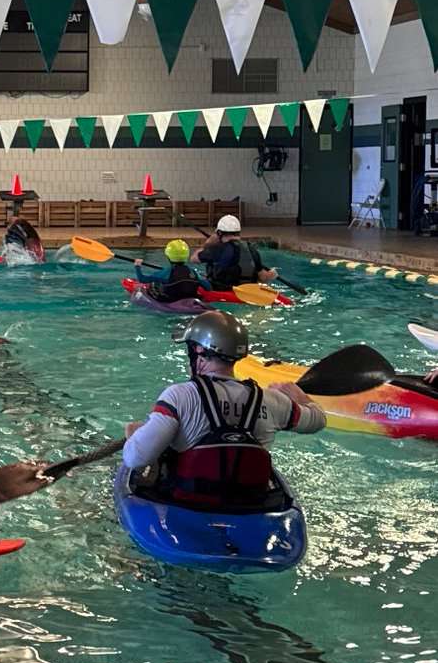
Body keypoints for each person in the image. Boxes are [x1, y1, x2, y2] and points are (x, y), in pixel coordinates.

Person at [123, 311, 325, 508]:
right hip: (251, 507)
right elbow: (318, 420)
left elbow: (136, 458)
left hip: (187, 504)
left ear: (199, 354)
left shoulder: (178, 396)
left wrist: (135, 436)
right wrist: (298, 395)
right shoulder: (273, 401)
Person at [191, 215, 278, 288]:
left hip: (222, 289)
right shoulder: (251, 249)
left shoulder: (218, 249)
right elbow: (263, 278)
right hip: (247, 290)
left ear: (219, 233)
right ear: (238, 232)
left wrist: (208, 244)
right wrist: (270, 274)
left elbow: (194, 259)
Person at [133, 239, 202, 305]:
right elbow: (208, 287)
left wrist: (137, 266)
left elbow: (142, 279)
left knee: (154, 283)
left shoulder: (166, 272)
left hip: (169, 300)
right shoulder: (193, 272)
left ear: (167, 256)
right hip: (190, 298)